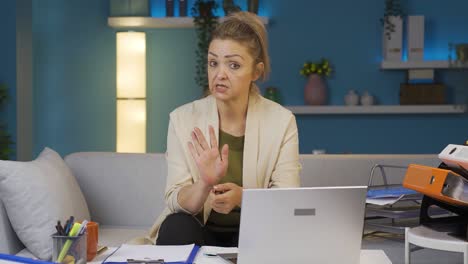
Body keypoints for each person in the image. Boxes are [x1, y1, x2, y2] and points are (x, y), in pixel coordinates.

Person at [149, 11, 301, 247]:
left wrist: (243, 197)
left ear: (257, 72)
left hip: (253, 229)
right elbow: (175, 200)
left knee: (267, 233)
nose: (220, 74)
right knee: (175, 226)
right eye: (213, 63)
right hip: (201, 230)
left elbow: (288, 199)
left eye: (234, 65)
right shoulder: (181, 119)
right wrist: (204, 184)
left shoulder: (282, 122)